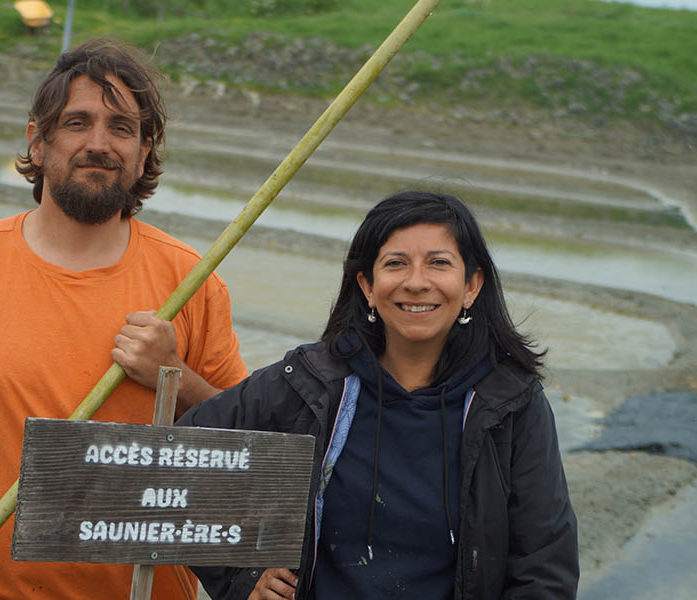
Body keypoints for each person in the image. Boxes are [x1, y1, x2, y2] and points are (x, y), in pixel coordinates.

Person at [0, 38, 248, 600]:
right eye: (76, 123)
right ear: (38, 143)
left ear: (144, 152)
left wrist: (176, 376)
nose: (99, 144)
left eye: (121, 128)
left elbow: (245, 450)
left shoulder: (193, 281)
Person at [179, 191, 579, 599]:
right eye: (395, 263)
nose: (416, 282)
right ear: (367, 286)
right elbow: (177, 462)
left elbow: (544, 566)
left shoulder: (510, 403)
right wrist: (242, 574)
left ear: (471, 285)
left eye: (439, 263)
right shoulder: (310, 384)